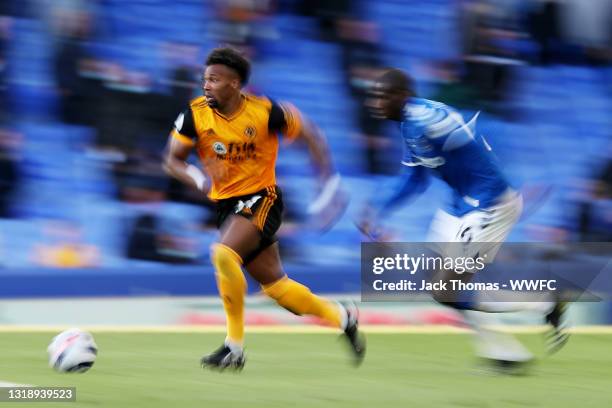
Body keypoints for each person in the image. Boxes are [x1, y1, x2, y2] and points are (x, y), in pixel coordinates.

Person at [163, 47, 365, 371]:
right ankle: (343, 317)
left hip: (262, 198)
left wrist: (326, 182)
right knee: (278, 288)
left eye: (214, 80)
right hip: (228, 206)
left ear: (234, 83)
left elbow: (311, 134)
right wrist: (200, 179)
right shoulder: (194, 115)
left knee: (222, 254)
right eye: (205, 79)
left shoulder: (265, 112)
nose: (206, 85)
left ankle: (234, 347)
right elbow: (172, 159)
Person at [357, 68, 568, 372]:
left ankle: (544, 303)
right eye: (373, 96)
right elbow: (413, 180)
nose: (375, 102)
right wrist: (377, 208)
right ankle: (505, 352)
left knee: (446, 289)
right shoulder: (409, 127)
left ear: (403, 96)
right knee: (442, 289)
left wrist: (510, 182)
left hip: (489, 205)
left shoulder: (427, 119)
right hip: (460, 206)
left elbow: (464, 130)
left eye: (382, 95)